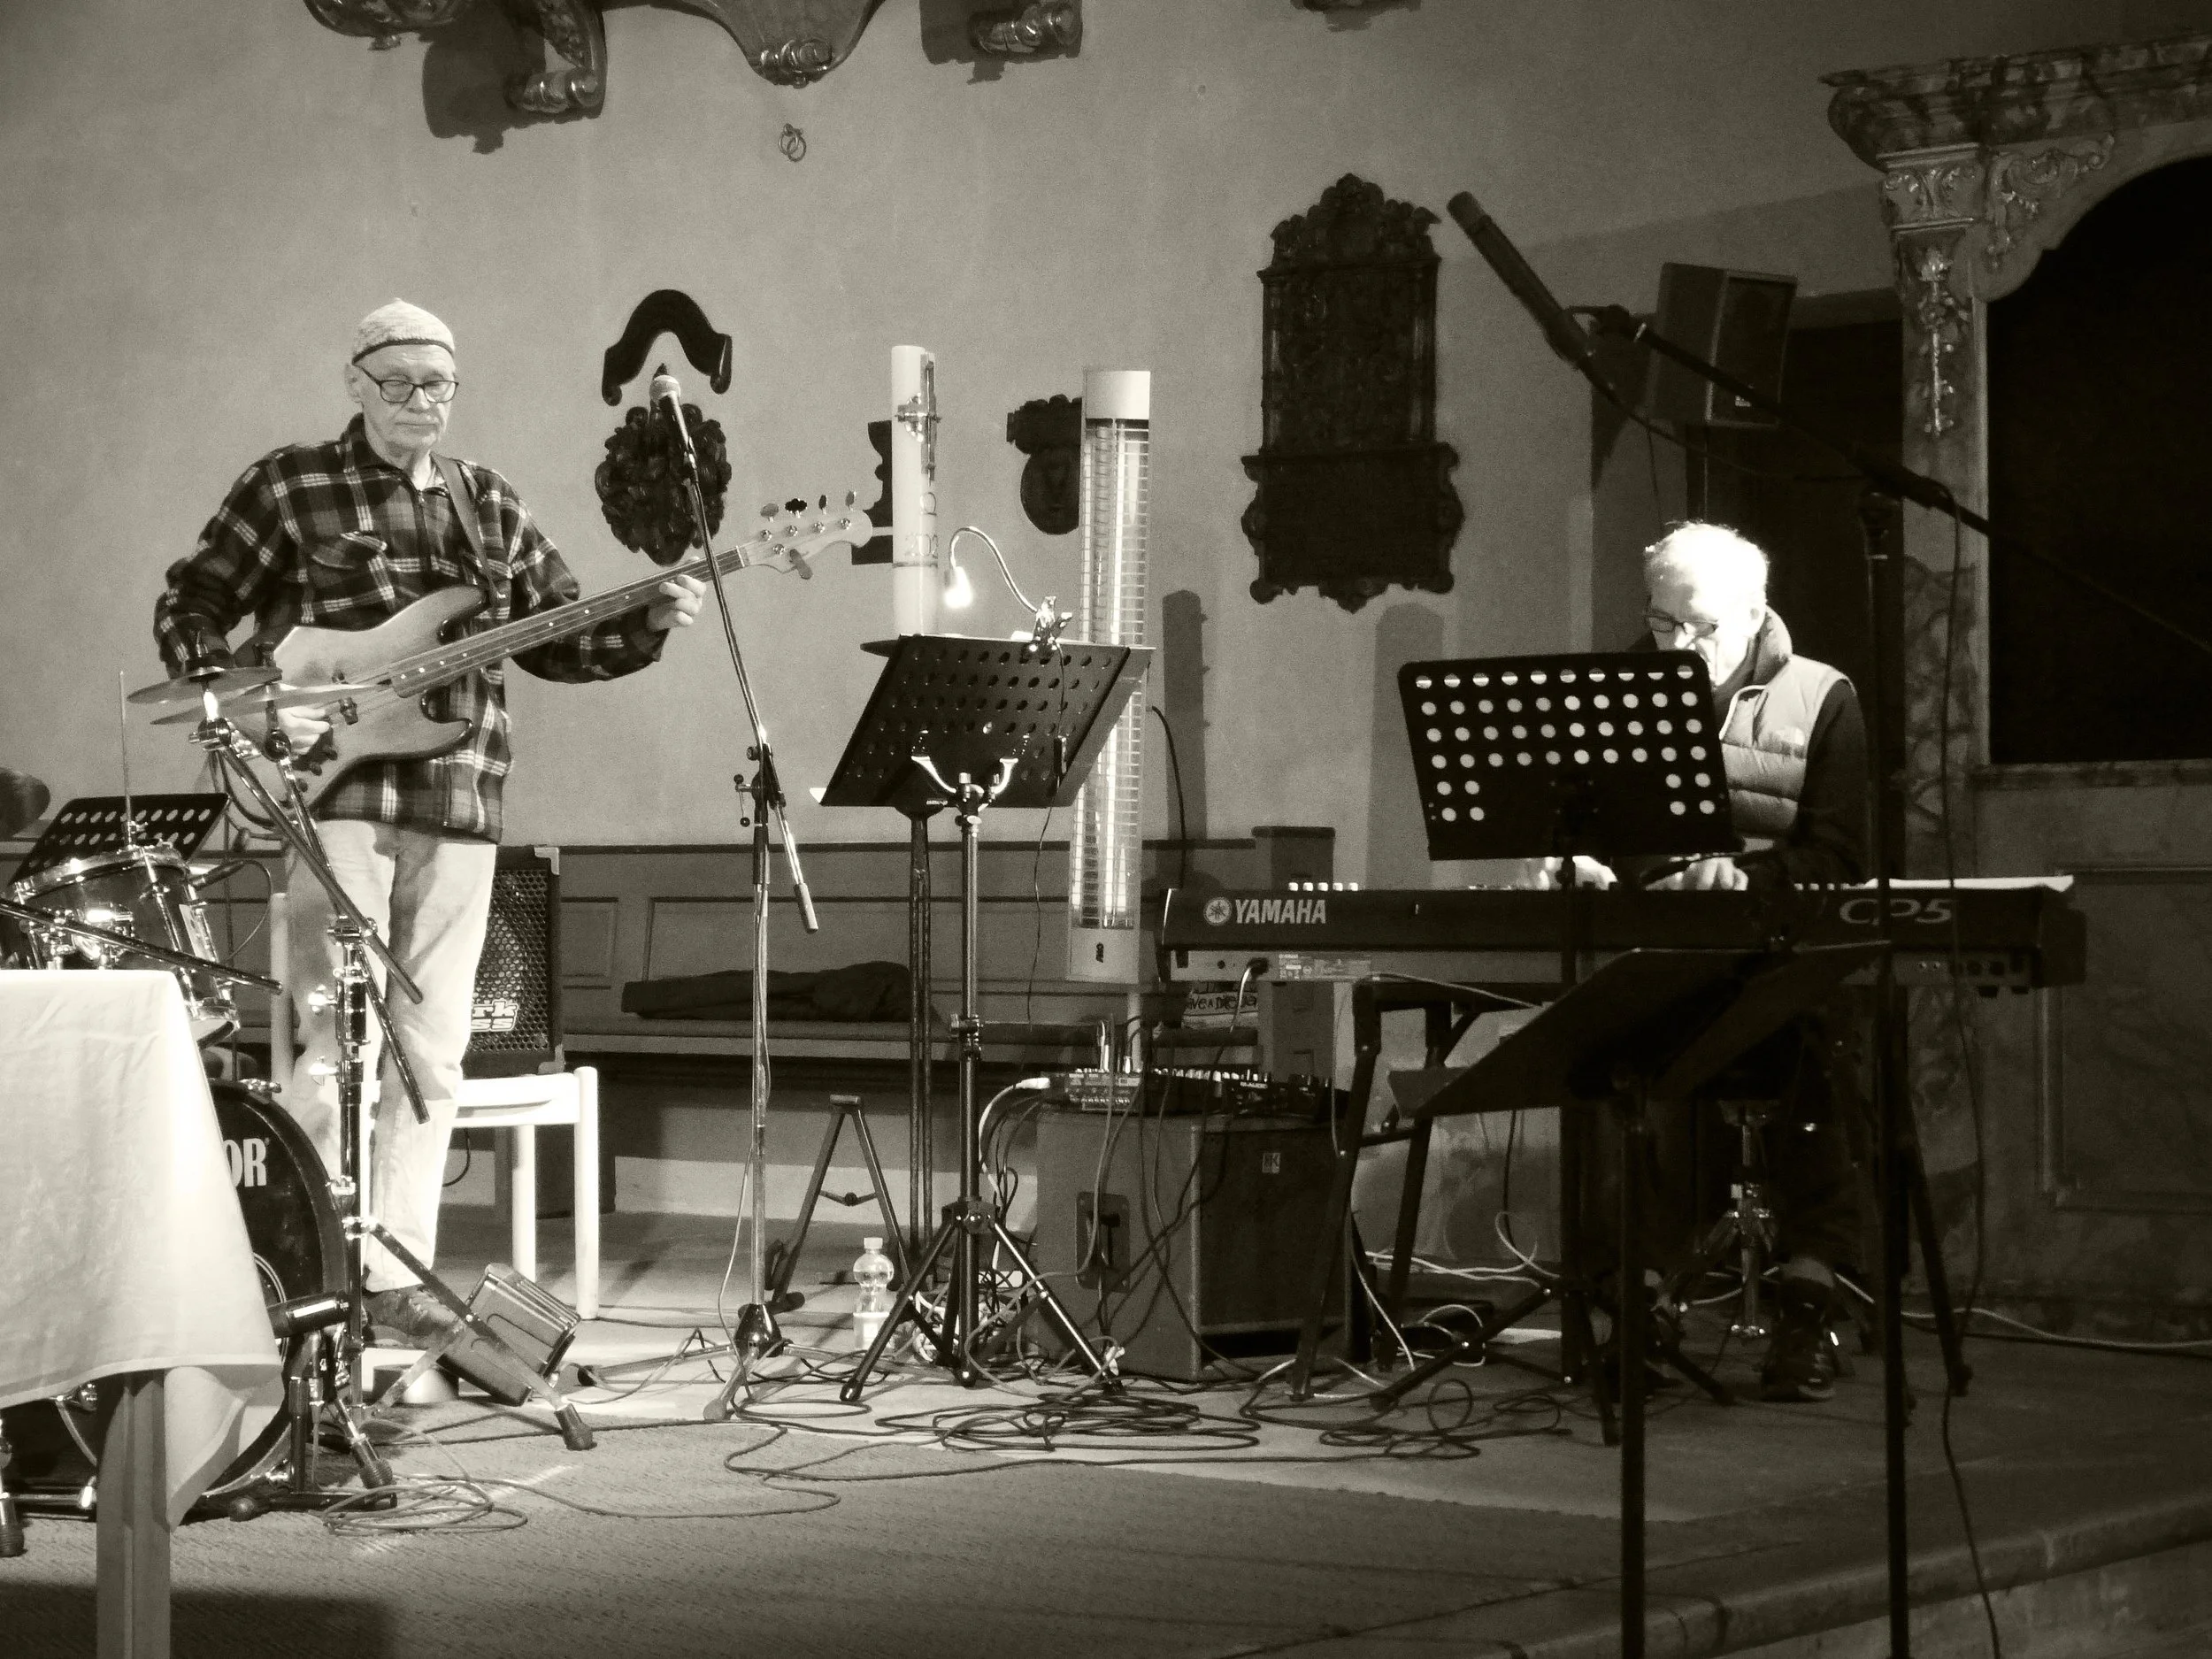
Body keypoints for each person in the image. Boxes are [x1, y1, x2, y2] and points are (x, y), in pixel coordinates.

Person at [155, 299, 703, 1348]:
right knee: (328, 1040)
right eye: (399, 382)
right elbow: (194, 598)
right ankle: (306, 1262)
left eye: (439, 384)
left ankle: (395, 1263)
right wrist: (242, 705)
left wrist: (643, 624)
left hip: (461, 798)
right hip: (335, 794)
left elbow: (556, 637)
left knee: (432, 1047)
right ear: (355, 384)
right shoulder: (290, 483)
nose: (421, 403)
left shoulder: (485, 500)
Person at [1524, 521, 1870, 1400]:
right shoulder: (1612, 696)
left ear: (1755, 612)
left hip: (1771, 961)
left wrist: (1735, 874)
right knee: (1616, 1068)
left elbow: (1836, 860)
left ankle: (1809, 1297)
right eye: (1661, 623)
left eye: (1700, 627)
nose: (1675, 646)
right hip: (1653, 958)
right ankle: (1635, 1303)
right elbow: (1579, 827)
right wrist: (1574, 862)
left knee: (1811, 1057)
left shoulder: (1823, 696)